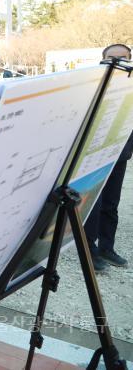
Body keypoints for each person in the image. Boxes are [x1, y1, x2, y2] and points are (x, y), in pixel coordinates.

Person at [85, 43, 132, 272]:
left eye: (123, 58)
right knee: (94, 203)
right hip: (95, 154)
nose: (117, 63)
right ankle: (89, 251)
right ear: (102, 60)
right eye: (111, 58)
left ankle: (107, 247)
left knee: (111, 204)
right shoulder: (91, 86)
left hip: (120, 154)